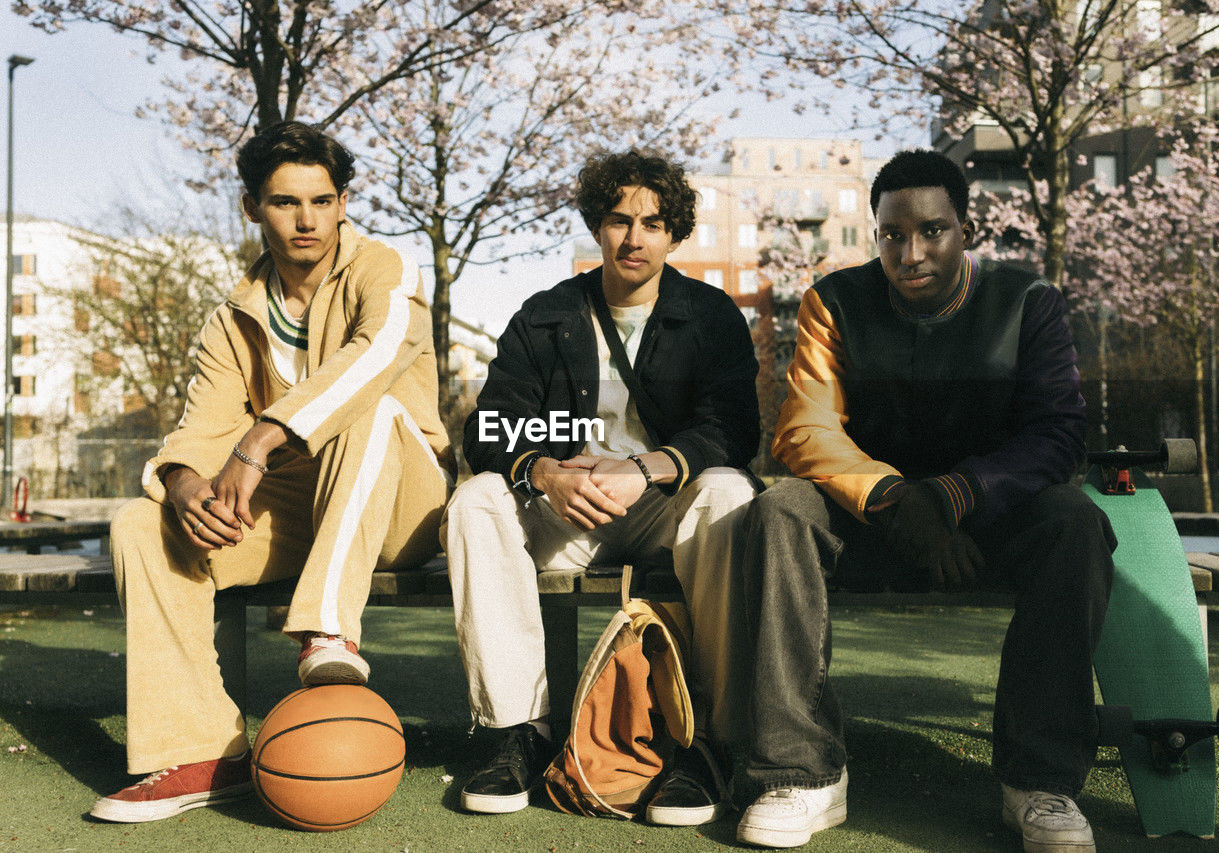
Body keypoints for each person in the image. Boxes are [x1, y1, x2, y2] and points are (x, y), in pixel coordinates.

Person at [735, 149, 1116, 851]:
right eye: (891, 234)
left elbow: (1059, 433)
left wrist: (952, 497)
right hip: (871, 517)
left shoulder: (1029, 300)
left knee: (1078, 520)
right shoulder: (835, 300)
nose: (909, 253)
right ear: (875, 233)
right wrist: (895, 499)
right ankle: (802, 772)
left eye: (932, 231)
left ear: (966, 229)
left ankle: (1039, 780)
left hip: (986, 523)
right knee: (780, 507)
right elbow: (804, 428)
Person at [92, 121, 453, 823]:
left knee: (371, 412)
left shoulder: (387, 271)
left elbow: (375, 358)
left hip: (401, 503)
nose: (306, 219)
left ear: (344, 202)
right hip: (301, 514)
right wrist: (181, 480)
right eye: (285, 202)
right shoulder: (233, 317)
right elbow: (198, 426)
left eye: (322, 200)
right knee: (142, 521)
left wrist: (259, 439)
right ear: (251, 207)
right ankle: (202, 752)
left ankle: (326, 631)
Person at [444, 150, 760, 823]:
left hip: (664, 510)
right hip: (569, 512)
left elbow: (733, 430)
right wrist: (545, 473)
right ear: (598, 226)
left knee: (730, 490)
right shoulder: (546, 315)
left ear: (675, 232)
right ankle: (514, 734)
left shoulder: (710, 316)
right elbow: (489, 428)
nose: (634, 237)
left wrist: (645, 467)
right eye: (619, 220)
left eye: (652, 222)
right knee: (475, 497)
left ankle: (703, 740)